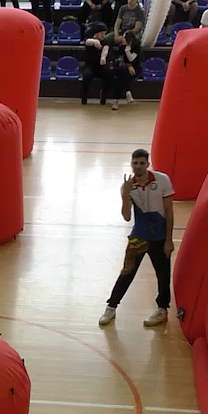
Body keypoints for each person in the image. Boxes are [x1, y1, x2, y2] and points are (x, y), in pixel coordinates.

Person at [99, 149, 175, 328]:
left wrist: (168, 240)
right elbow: (126, 217)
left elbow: (169, 211)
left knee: (163, 275)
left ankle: (162, 309)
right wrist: (125, 195)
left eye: (142, 163)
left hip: (159, 238)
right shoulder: (127, 186)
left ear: (148, 164)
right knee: (127, 272)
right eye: (135, 163)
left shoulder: (162, 180)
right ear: (131, 164)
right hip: (138, 238)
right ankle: (111, 307)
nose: (138, 166)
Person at [109, 29, 140, 110]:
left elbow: (131, 59)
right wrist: (128, 65)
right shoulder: (121, 47)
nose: (122, 39)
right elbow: (121, 60)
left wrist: (127, 51)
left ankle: (116, 100)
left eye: (124, 38)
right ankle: (128, 92)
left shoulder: (136, 47)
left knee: (120, 78)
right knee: (122, 74)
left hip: (135, 68)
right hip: (123, 67)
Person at [81, 22, 111, 105]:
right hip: (90, 66)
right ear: (97, 33)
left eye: (104, 33)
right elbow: (87, 41)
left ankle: (104, 94)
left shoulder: (105, 42)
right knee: (86, 76)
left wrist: (103, 58)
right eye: (101, 33)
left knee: (108, 74)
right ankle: (84, 95)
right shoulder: (89, 39)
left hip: (101, 66)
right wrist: (95, 42)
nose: (103, 35)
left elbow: (105, 50)